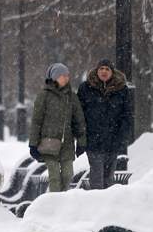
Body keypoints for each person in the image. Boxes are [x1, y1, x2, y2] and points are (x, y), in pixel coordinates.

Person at [28, 63, 87, 192]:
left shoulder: (72, 97)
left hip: (67, 145)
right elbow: (36, 121)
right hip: (49, 144)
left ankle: (63, 202)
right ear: (55, 77)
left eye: (67, 75)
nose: (66, 78)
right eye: (62, 75)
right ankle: (54, 201)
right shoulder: (44, 96)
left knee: (68, 175)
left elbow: (79, 121)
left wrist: (81, 142)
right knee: (54, 177)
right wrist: (33, 144)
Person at [77, 58, 133, 189]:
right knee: (97, 178)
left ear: (112, 72)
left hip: (113, 141)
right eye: (101, 68)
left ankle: (105, 202)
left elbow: (127, 115)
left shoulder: (122, 90)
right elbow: (78, 115)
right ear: (96, 71)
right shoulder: (85, 88)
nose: (104, 71)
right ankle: (96, 201)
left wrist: (122, 136)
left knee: (108, 179)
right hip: (93, 141)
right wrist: (81, 137)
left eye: (107, 69)